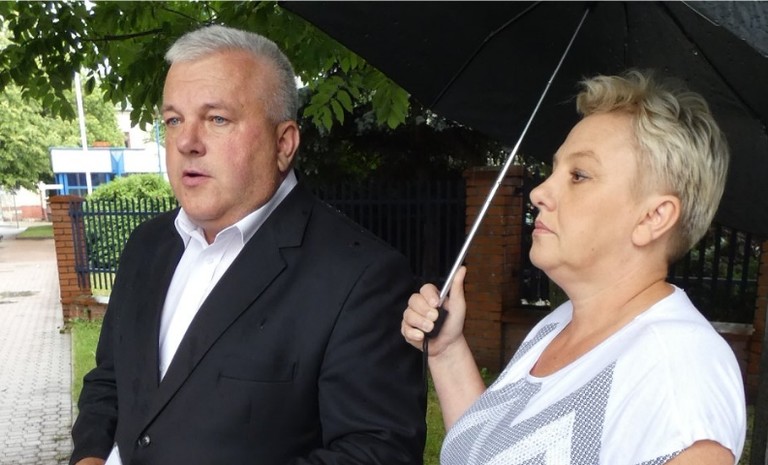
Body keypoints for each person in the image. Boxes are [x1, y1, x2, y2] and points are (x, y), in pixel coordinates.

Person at [70, 25, 426, 465]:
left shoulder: (362, 277)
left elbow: (376, 453)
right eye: (174, 120)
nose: (186, 142)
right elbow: (110, 380)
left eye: (217, 119)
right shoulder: (147, 246)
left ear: (284, 143)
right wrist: (90, 455)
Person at [402, 70, 746, 465]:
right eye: (554, 170)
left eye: (579, 175)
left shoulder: (680, 373)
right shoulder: (554, 327)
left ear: (653, 217)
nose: (539, 192)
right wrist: (446, 352)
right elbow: (490, 453)